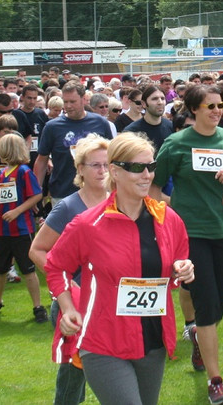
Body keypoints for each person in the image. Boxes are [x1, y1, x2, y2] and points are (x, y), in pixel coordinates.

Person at [45, 133, 194, 405]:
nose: (147, 175)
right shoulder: (88, 224)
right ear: (115, 171)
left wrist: (182, 269)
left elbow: (178, 261)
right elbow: (56, 266)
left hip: (152, 342)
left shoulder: (168, 219)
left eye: (151, 166)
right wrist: (67, 307)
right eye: (137, 167)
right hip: (103, 342)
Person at [151, 84, 223, 404]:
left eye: (220, 105)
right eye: (210, 106)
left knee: (218, 304)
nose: (217, 111)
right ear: (193, 109)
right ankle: (215, 381)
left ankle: (198, 337)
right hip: (190, 235)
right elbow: (153, 187)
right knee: (205, 305)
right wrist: (164, 220)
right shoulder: (176, 143)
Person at [30, 134, 110, 405]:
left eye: (107, 165)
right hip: (73, 305)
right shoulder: (68, 207)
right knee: (74, 373)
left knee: (105, 369)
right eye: (95, 165)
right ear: (80, 169)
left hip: (109, 302)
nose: (102, 171)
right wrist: (67, 285)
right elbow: (37, 250)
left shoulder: (121, 202)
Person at [0, 133, 45, 322]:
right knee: (0, 268)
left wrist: (17, 211)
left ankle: (38, 307)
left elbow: (36, 195)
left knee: (28, 269)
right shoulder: (4, 173)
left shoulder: (24, 172)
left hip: (22, 229)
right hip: (4, 229)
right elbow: (1, 198)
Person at [35, 83, 114, 206]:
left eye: (72, 102)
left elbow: (112, 156)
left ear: (84, 99)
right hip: (63, 193)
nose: (68, 106)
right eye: (65, 102)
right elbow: (41, 160)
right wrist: (36, 191)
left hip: (97, 193)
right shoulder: (52, 127)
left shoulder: (100, 123)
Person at [124, 85, 173, 152]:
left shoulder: (171, 127)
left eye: (162, 98)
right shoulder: (131, 132)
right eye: (154, 99)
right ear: (143, 103)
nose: (160, 102)